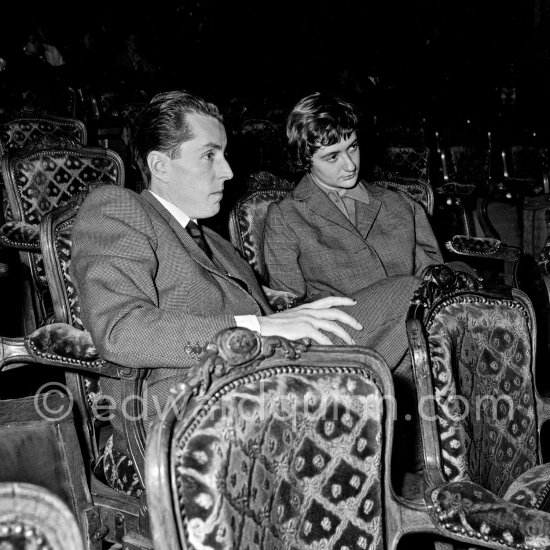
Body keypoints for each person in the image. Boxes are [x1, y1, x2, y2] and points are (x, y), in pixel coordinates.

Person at [71, 89, 367, 450]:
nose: (227, 171)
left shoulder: (217, 243)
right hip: (182, 409)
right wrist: (256, 327)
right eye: (210, 155)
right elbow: (120, 330)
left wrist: (292, 316)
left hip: (261, 380)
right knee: (406, 302)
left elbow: (269, 318)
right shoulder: (118, 207)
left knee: (404, 311)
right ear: (160, 165)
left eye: (224, 155)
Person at [263, 92, 443, 323]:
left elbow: (433, 283)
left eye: (353, 147)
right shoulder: (286, 216)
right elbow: (291, 307)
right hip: (347, 337)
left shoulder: (401, 205)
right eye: (332, 157)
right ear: (305, 159)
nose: (350, 165)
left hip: (417, 328)